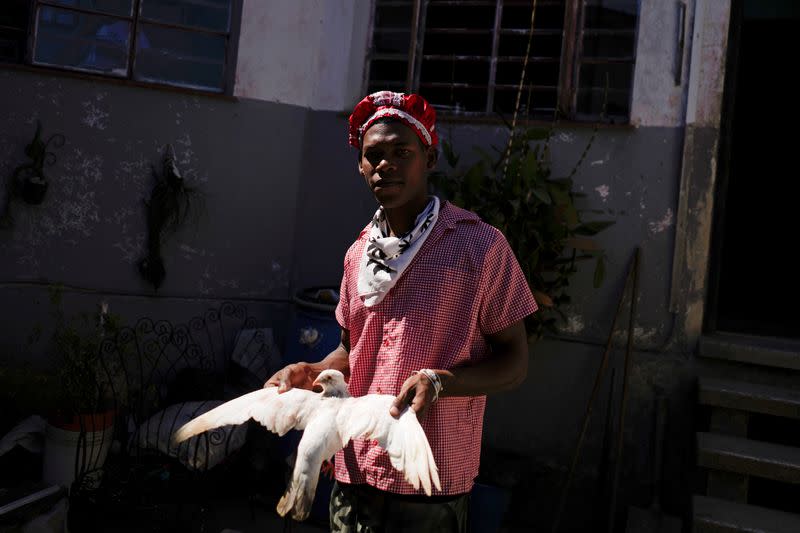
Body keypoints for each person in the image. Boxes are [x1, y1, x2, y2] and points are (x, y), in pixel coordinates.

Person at [266, 91, 537, 532]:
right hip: (356, 471)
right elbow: (351, 351)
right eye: (373, 155)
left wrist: (443, 382)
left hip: (430, 481)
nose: (385, 164)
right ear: (360, 166)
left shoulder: (478, 246)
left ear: (429, 158)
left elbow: (516, 362)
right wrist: (314, 370)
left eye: (401, 152)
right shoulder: (358, 255)